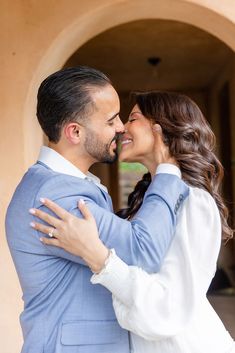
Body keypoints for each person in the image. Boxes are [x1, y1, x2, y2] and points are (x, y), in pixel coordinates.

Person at [31, 91, 235, 353]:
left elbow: (167, 308)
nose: (121, 128)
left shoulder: (194, 202)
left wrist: (100, 258)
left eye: (133, 118)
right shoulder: (151, 200)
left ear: (163, 128)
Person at [5, 67, 189, 353]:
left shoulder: (62, 185)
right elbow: (143, 251)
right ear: (75, 132)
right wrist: (167, 170)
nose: (121, 128)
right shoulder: (56, 198)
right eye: (111, 119)